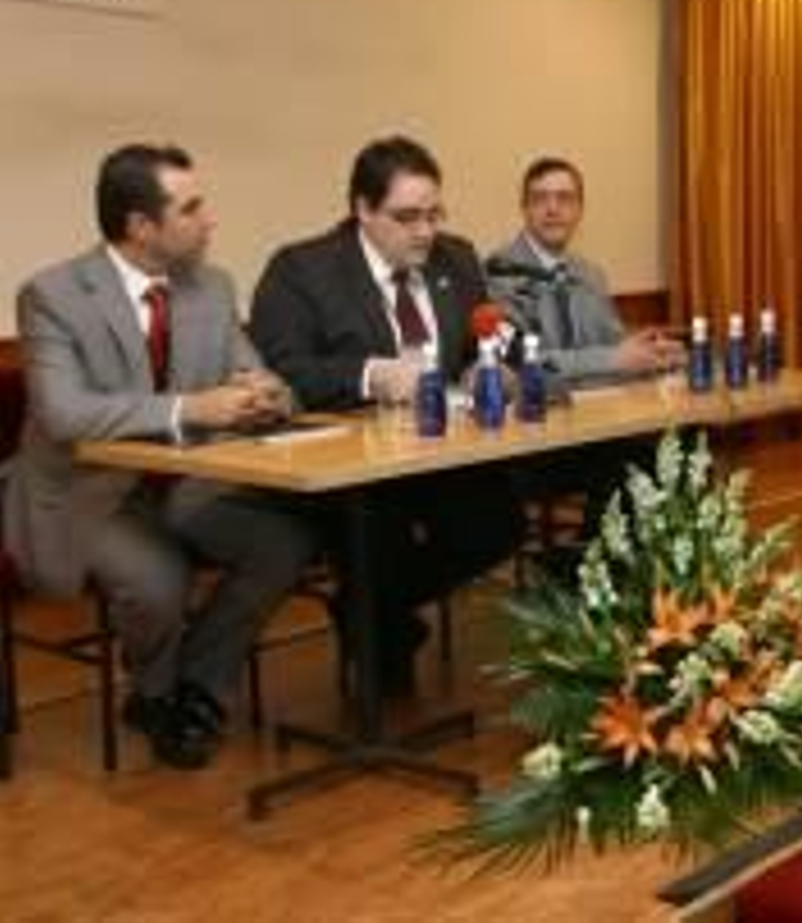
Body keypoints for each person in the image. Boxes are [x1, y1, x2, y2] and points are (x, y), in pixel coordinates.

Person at [2, 144, 316, 769]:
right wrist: (190, 408)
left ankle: (190, 685)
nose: (210, 220)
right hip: (82, 492)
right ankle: (161, 695)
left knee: (284, 544)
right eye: (191, 208)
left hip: (189, 482)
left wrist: (268, 394)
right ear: (141, 226)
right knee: (155, 579)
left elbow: (264, 378)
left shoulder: (212, 288)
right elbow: (65, 413)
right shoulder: (53, 295)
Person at [249, 136, 521, 695]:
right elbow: (285, 368)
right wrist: (371, 374)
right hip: (347, 463)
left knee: (497, 522)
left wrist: (495, 367)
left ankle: (368, 610)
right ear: (363, 210)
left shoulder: (456, 258)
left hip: (442, 451)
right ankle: (381, 638)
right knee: (376, 533)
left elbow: (492, 338)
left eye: (434, 214)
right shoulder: (302, 270)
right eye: (407, 217)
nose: (425, 232)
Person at [485, 156, 682, 560]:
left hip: (595, 424)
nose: (553, 208)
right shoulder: (498, 273)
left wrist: (647, 350)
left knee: (684, 445)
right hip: (533, 435)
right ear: (524, 208)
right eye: (540, 198)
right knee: (633, 464)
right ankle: (589, 569)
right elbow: (526, 362)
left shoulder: (590, 274)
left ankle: (635, 570)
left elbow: (612, 345)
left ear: (580, 209)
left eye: (565, 198)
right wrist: (614, 358)